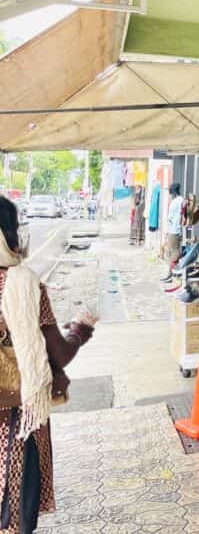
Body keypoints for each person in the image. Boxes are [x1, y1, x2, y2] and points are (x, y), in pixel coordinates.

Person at [0, 196, 94, 533]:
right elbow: (59, 354)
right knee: (16, 492)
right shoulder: (25, 284)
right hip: (18, 411)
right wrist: (80, 331)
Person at [164, 183, 184, 265]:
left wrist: (167, 231)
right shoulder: (182, 200)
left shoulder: (175, 202)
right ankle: (173, 272)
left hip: (173, 230)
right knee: (174, 252)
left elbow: (170, 218)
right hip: (178, 230)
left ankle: (172, 273)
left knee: (173, 253)